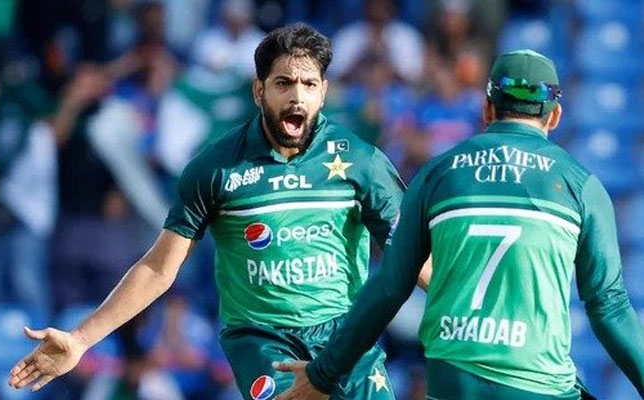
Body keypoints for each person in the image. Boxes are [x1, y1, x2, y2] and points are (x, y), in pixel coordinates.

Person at [7, 23, 430, 399]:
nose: (297, 97)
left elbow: (415, 257)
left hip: (345, 334)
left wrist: (480, 308)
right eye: (284, 83)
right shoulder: (216, 168)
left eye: (309, 84)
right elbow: (159, 268)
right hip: (264, 339)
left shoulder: (361, 162)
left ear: (323, 90)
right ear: (259, 90)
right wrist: (81, 339)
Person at [273, 50, 644, 400]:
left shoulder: (436, 174)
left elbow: (389, 287)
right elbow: (609, 309)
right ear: (555, 116)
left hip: (452, 384)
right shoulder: (581, 185)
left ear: (486, 108)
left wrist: (324, 374)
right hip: (537, 386)